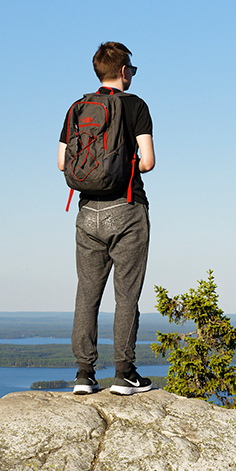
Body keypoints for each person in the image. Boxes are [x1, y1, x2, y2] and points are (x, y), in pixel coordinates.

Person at [58, 42, 155, 396]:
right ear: (125, 71)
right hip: (127, 208)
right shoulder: (136, 106)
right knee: (126, 295)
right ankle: (125, 373)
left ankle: (84, 374)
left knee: (87, 292)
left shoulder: (78, 109)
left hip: (87, 213)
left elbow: (61, 163)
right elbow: (148, 162)